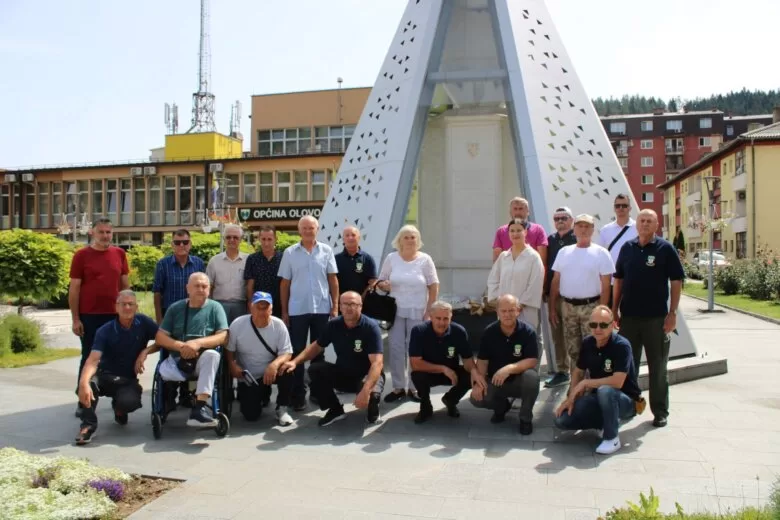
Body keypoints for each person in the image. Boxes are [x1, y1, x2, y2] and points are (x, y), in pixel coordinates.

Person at [613, 209, 684, 428]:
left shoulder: (665, 249)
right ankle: (629, 406)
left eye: (649, 221)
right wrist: (614, 309)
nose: (644, 224)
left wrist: (672, 314)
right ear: (637, 224)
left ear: (656, 225)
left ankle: (660, 411)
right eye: (642, 220)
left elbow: (676, 281)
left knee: (658, 367)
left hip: (656, 320)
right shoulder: (627, 248)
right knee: (627, 366)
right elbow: (619, 280)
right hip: (629, 319)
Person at [281, 292, 384, 426]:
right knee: (315, 369)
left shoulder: (370, 327)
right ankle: (335, 410)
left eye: (353, 304)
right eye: (345, 304)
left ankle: (373, 412)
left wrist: (366, 391)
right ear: (340, 306)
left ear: (360, 306)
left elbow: (377, 363)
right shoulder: (334, 324)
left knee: (372, 394)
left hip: (366, 376)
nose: (349, 308)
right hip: (344, 374)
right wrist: (294, 362)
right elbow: (316, 347)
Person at [554, 306, 643, 455]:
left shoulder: (622, 345)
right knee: (561, 421)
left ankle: (612, 438)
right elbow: (578, 371)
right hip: (599, 398)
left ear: (612, 324)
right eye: (593, 325)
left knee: (606, 390)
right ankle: (606, 421)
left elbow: (618, 382)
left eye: (603, 325)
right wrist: (570, 398)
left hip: (626, 400)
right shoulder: (588, 342)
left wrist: (586, 383)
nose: (598, 329)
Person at [74, 290, 157, 445]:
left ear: (136, 307)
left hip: (127, 379)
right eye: (123, 304)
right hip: (104, 375)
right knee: (88, 385)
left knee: (129, 402)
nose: (127, 307)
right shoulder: (104, 330)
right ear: (116, 308)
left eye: (130, 304)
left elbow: (162, 339)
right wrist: (83, 383)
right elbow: (92, 360)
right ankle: (88, 425)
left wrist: (145, 351)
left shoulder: (144, 323)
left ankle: (119, 409)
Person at [278, 215, 339, 411]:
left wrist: (335, 306)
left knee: (318, 353)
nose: (307, 231)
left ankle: (317, 393)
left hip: (321, 309)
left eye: (311, 228)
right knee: (296, 353)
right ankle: (298, 395)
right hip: (298, 310)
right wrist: (285, 311)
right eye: (304, 228)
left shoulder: (326, 251)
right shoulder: (289, 253)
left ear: (317, 230)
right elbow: (285, 284)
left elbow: (333, 280)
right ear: (299, 230)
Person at [152, 273, 229, 427]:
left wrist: (197, 343)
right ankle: (169, 403)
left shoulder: (216, 307)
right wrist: (182, 347)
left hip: (203, 363)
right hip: (177, 362)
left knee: (213, 355)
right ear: (187, 288)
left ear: (209, 289)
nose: (201, 289)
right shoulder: (175, 308)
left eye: (204, 286)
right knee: (163, 372)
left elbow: (223, 337)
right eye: (196, 286)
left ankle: (199, 409)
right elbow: (160, 338)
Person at [377, 225, 439, 404]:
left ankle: (414, 387)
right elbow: (380, 280)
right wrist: (384, 285)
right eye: (407, 237)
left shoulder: (425, 259)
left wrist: (430, 309)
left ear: (418, 240)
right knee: (396, 348)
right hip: (394, 311)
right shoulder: (392, 258)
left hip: (418, 310)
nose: (410, 240)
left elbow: (433, 285)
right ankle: (397, 387)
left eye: (413, 237)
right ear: (400, 240)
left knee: (415, 350)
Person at [69, 218, 130, 402]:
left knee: (117, 357)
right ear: (92, 233)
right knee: (89, 357)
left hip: (114, 315)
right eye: (101, 232)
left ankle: (119, 402)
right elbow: (74, 289)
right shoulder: (81, 256)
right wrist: (76, 319)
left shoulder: (119, 254)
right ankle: (84, 399)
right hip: (90, 316)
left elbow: (126, 286)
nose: (105, 236)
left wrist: (128, 312)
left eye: (108, 232)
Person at [549, 214, 614, 376]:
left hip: (591, 307)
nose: (583, 229)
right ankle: (575, 387)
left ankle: (593, 386)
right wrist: (551, 308)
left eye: (587, 226)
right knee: (573, 350)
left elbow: (606, 285)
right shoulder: (564, 252)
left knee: (594, 347)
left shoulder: (601, 253)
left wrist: (603, 311)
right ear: (574, 228)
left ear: (593, 230)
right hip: (568, 308)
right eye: (580, 226)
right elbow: (555, 281)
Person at [470, 294, 541, 435]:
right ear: (497, 312)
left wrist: (509, 369)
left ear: (518, 311)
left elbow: (532, 360)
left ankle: (525, 418)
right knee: (476, 399)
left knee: (532, 377)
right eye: (503, 311)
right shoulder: (489, 332)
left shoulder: (528, 332)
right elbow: (482, 360)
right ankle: (501, 407)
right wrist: (478, 383)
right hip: (496, 380)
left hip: (519, 381)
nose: (507, 314)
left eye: (511, 310)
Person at [152, 228, 206, 407]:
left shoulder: (198, 263)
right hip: (170, 319)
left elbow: (204, 290)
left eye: (185, 242)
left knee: (191, 356)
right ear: (172, 245)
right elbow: (157, 293)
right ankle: (168, 398)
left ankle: (187, 395)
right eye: (177, 242)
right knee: (169, 357)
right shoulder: (163, 264)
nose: (181, 245)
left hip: (193, 316)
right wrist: (159, 321)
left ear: (190, 244)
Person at [225, 291, 294, 426]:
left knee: (288, 368)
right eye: (258, 307)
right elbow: (229, 349)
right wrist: (232, 365)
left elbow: (287, 353)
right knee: (250, 415)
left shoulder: (278, 325)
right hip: (248, 376)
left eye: (265, 307)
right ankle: (261, 394)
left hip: (270, 372)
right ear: (251, 308)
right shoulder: (238, 324)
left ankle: (282, 408)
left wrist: (274, 365)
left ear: (271, 309)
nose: (262, 311)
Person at [409, 301, 476, 424]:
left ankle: (451, 400)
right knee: (417, 375)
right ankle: (425, 406)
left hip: (452, 373)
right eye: (438, 318)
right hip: (429, 372)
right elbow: (415, 363)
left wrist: (477, 377)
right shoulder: (419, 331)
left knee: (471, 376)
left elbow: (467, 360)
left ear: (451, 317)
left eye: (446, 318)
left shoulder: (459, 331)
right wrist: (444, 369)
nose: (441, 322)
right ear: (431, 316)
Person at [487, 219, 545, 328]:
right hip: (504, 312)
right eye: (512, 231)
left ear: (526, 232)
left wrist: (518, 306)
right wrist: (499, 303)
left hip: (525, 311)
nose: (515, 234)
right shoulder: (503, 257)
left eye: (519, 230)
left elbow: (535, 284)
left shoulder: (533, 257)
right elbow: (493, 280)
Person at [544, 207, 577, 388]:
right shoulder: (550, 240)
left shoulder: (577, 239)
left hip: (572, 296)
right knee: (558, 335)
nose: (560, 221)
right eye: (556, 218)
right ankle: (562, 371)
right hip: (554, 296)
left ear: (571, 220)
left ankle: (577, 372)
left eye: (564, 218)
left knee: (573, 334)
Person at [597, 194, 638, 307]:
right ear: (614, 208)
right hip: (610, 282)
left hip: (632, 281)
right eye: (617, 205)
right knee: (609, 318)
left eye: (624, 205)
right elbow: (599, 255)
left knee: (629, 318)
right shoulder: (605, 230)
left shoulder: (638, 227)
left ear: (629, 208)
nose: (620, 208)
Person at [491, 197, 548, 266]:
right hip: (508, 273)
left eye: (521, 209)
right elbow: (497, 260)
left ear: (528, 212)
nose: (518, 212)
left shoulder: (538, 230)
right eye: (515, 209)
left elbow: (542, 260)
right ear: (510, 212)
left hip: (531, 272)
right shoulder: (501, 231)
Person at [244, 225, 283, 319]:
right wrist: (250, 307)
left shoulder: (283, 258)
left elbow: (286, 284)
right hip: (258, 306)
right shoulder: (252, 259)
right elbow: (249, 286)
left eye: (269, 239)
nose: (266, 243)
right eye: (263, 239)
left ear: (275, 239)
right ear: (259, 239)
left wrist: (285, 310)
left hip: (279, 307)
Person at [335, 225, 377, 297]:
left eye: (353, 235)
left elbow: (373, 281)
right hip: (340, 303)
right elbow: (331, 280)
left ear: (359, 238)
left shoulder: (368, 259)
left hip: (361, 304)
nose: (350, 237)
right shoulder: (335, 259)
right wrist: (338, 298)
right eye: (347, 235)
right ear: (343, 239)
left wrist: (361, 298)